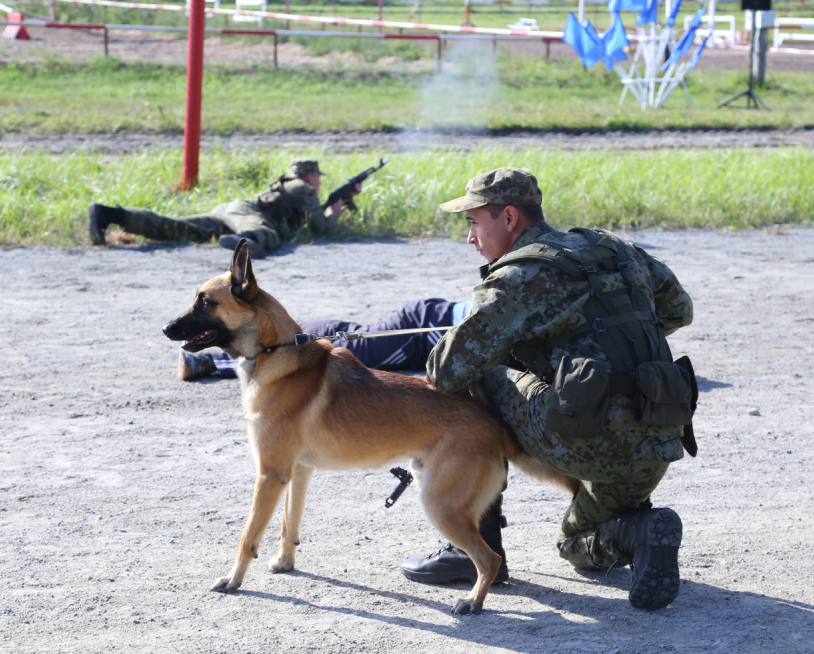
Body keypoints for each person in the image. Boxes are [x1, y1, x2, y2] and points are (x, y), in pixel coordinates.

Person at [399, 168, 695, 611]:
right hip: (657, 438)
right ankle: (641, 531)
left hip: (587, 439)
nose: (471, 238)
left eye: (474, 222)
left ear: (510, 218)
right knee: (576, 545)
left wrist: (528, 356)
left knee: (476, 375)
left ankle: (470, 548)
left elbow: (445, 370)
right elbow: (678, 310)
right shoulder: (614, 247)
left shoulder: (520, 274)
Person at [87, 158, 361, 258]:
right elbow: (321, 228)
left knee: (177, 227)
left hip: (230, 210)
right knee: (267, 234)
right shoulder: (302, 188)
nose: (318, 183)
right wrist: (335, 212)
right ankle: (245, 243)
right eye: (318, 178)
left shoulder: (288, 186)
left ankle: (109, 214)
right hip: (247, 216)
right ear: (311, 176)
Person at [177, 298, 470, 380]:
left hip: (435, 328)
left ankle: (283, 333)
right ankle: (208, 361)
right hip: (427, 329)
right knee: (346, 352)